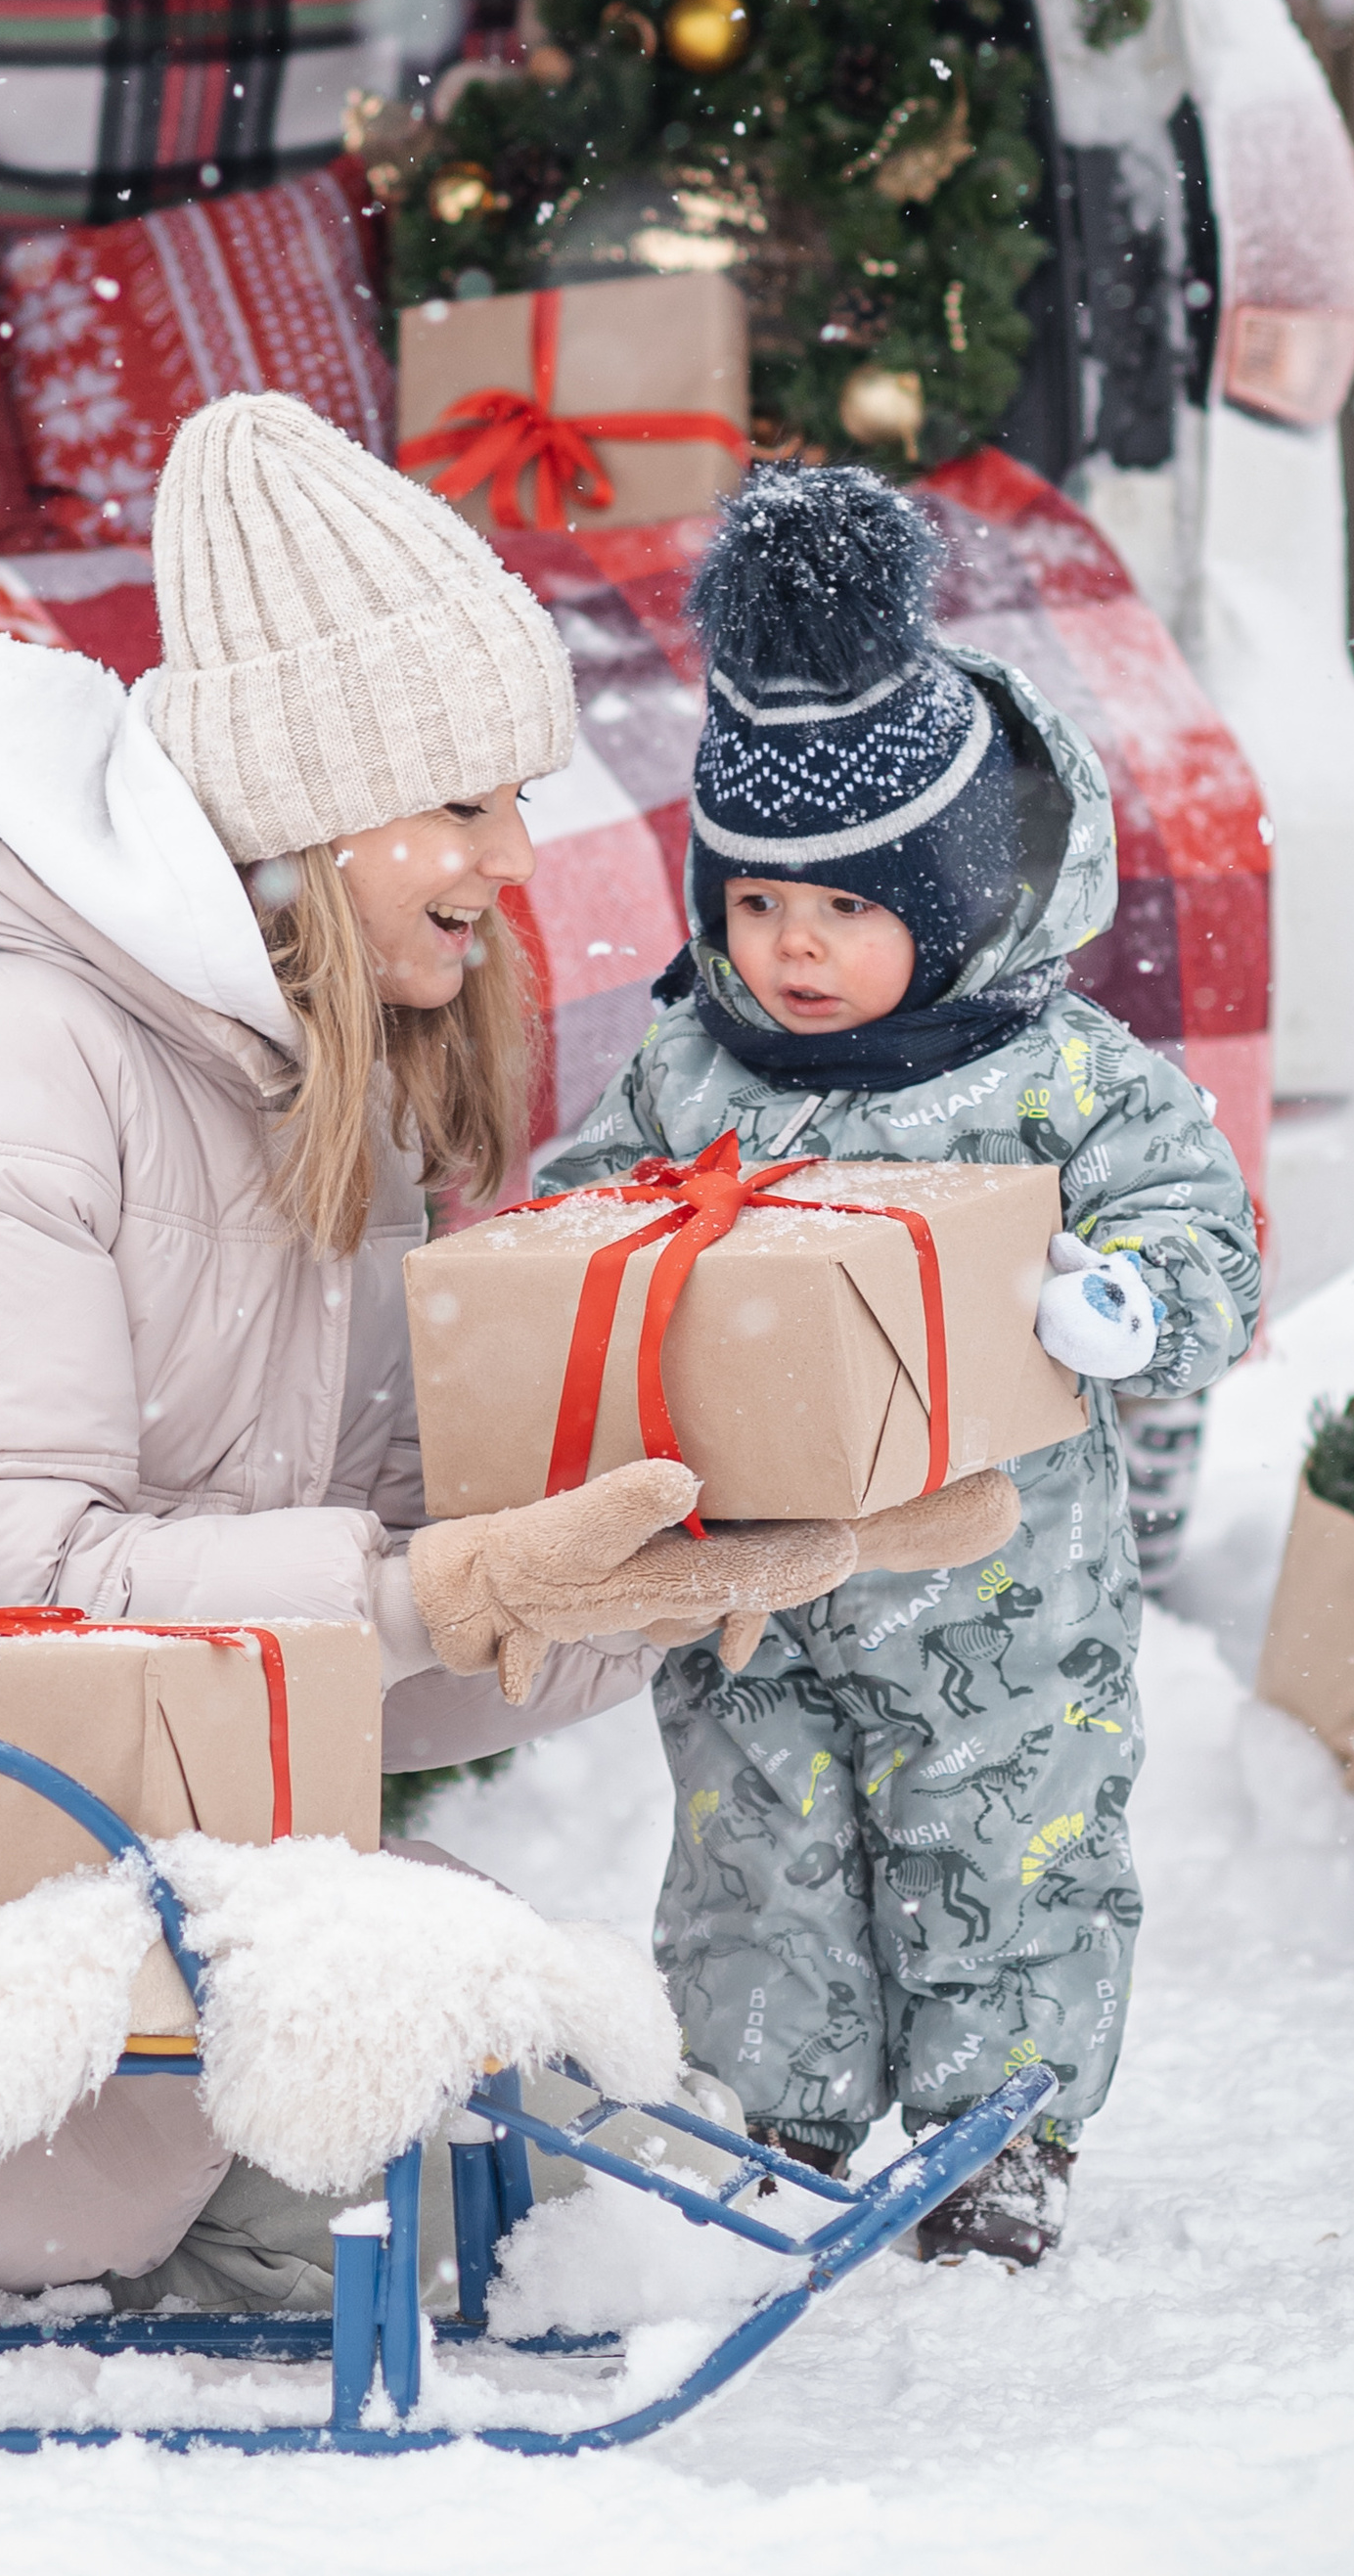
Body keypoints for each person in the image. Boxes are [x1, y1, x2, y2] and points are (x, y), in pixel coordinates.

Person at [0, 395, 974, 2308]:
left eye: (515, 802)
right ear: (311, 814)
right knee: (182, 2200)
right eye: (463, 804)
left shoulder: (309, 1105)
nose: (515, 860)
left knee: (513, 2108)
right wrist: (439, 1586)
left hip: (40, 1818)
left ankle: (116, 2236)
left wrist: (629, 1588)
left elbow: (333, 1664)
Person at [539, 461, 1262, 2267]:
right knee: (757, 1848)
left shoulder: (1060, 1077)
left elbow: (1203, 1234)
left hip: (1003, 1593)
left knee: (1001, 1847)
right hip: (754, 1576)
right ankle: (770, 2100)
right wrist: (580, 1275)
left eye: (848, 909)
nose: (792, 946)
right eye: (757, 902)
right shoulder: (691, 1070)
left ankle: (997, 2126)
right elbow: (577, 1217)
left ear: (943, 900)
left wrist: (1130, 1300)